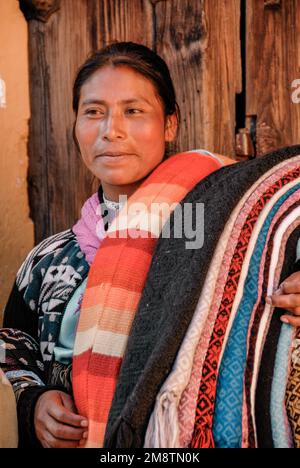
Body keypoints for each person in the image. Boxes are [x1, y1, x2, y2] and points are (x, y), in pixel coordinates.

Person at [1, 41, 300, 449]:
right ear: (75, 125)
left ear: (170, 124)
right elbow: (15, 346)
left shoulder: (227, 226)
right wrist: (34, 402)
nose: (111, 130)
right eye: (93, 111)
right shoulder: (48, 259)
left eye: (133, 110)